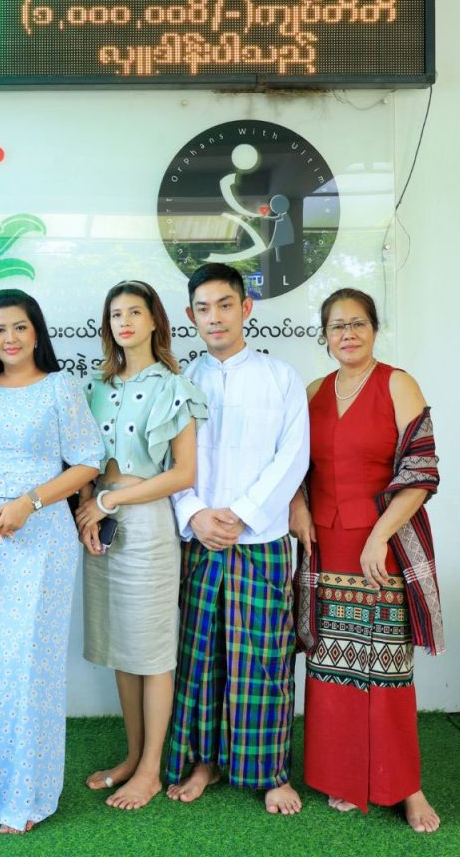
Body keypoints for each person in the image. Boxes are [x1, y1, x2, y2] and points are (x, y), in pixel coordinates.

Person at [289, 288, 442, 832]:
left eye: (357, 323)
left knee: (388, 667)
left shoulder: (398, 383)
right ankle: (341, 775)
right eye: (337, 325)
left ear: (375, 329)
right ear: (325, 336)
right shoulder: (313, 391)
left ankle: (406, 787)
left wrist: (380, 536)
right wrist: (298, 506)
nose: (347, 333)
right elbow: (291, 467)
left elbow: (421, 471)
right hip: (324, 547)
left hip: (382, 545)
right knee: (333, 665)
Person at [165, 262, 309, 815]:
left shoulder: (281, 377)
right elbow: (165, 459)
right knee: (201, 656)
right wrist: (195, 513)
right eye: (203, 308)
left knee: (264, 659)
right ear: (190, 315)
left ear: (246, 309)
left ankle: (269, 772)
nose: (215, 317)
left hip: (262, 539)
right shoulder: (180, 381)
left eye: (225, 305)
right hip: (199, 539)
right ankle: (204, 762)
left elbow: (293, 456)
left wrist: (244, 515)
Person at [0, 288, 104, 834]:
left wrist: (29, 503)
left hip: (41, 537)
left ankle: (26, 793)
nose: (10, 338)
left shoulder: (59, 387)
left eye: (20, 327)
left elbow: (89, 461)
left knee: (31, 666)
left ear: (37, 331)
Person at [76, 280, 207, 811]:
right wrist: (88, 507)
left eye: (135, 312)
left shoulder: (174, 387)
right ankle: (132, 757)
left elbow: (183, 473)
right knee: (120, 648)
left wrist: (110, 501)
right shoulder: (94, 385)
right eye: (116, 314)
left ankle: (151, 769)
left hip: (148, 526)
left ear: (155, 320)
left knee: (151, 652)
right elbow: (83, 462)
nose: (125, 322)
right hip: (99, 523)